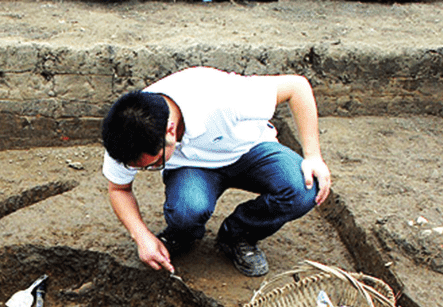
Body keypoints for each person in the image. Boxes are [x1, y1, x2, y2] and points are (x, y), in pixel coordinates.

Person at [101, 66, 332, 277]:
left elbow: (297, 87)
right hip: (193, 167)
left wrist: (313, 156)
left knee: (304, 188)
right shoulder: (123, 135)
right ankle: (184, 234)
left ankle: (238, 234)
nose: (150, 169)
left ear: (170, 131)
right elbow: (119, 189)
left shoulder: (221, 97)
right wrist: (141, 236)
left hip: (249, 149)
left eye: (155, 163)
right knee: (186, 211)